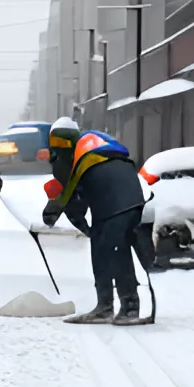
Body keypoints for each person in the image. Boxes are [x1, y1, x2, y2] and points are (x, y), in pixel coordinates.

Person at [42, 117, 152, 325]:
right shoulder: (96, 145)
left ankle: (128, 307)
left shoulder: (70, 159)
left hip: (113, 205)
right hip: (132, 199)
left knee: (114, 251)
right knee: (105, 249)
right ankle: (107, 305)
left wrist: (54, 210)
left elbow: (71, 199)